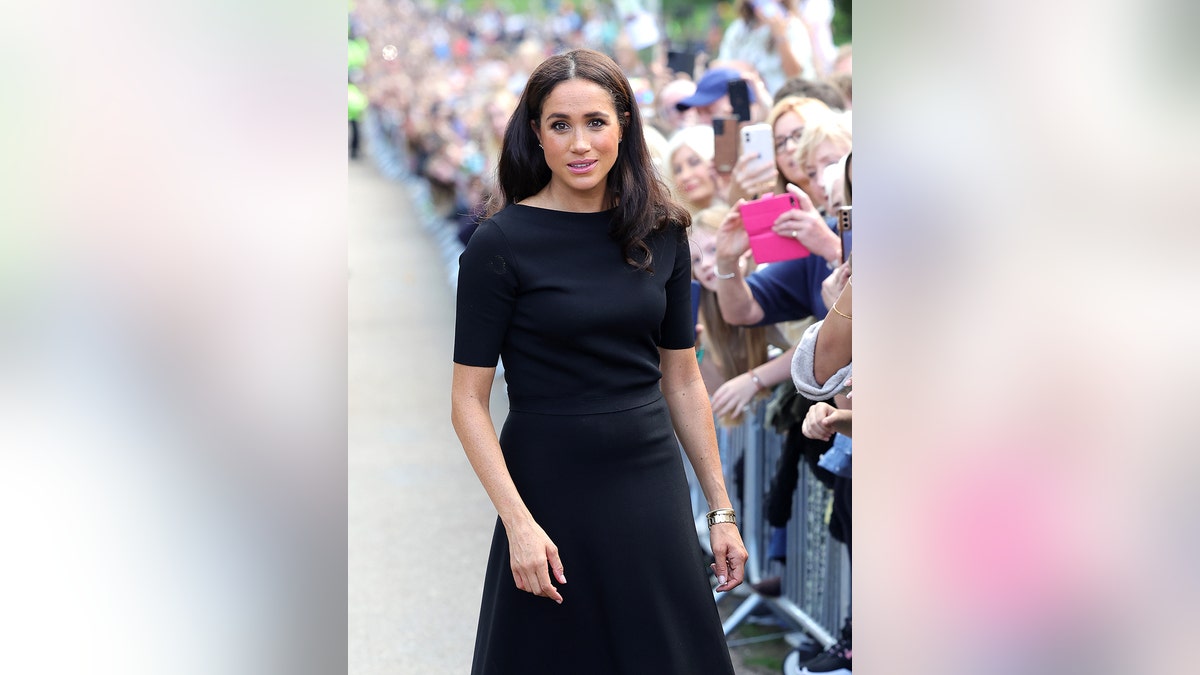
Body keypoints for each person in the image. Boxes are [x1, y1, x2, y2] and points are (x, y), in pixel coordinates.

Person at [450, 48, 748, 674]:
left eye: (596, 122)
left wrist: (720, 510)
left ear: (625, 127)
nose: (580, 143)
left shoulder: (663, 230)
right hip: (547, 485)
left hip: (648, 478)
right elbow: (467, 401)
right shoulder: (498, 244)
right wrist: (518, 524)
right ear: (536, 133)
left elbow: (683, 377)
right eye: (560, 124)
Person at [717, 0, 817, 94]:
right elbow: (718, 66)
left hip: (784, 101)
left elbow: (795, 75)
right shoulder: (739, 29)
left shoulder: (793, 27)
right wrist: (743, 68)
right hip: (750, 103)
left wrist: (780, 36)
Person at [663, 125, 727, 216]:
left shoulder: (742, 207)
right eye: (678, 170)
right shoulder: (679, 226)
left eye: (694, 162)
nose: (685, 176)